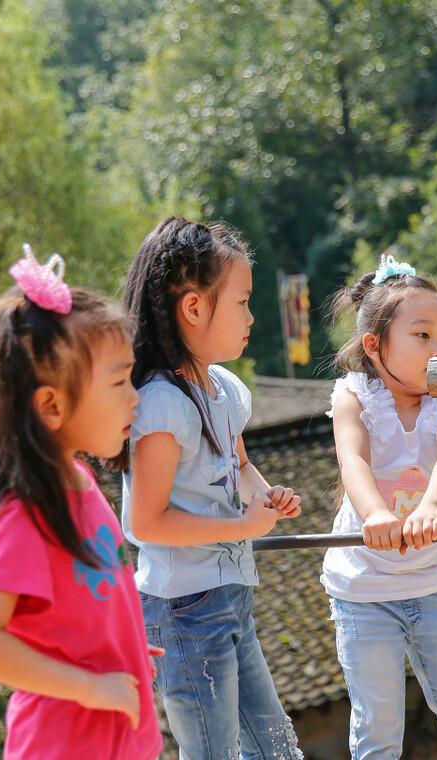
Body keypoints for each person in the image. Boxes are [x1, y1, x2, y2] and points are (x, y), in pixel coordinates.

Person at [0, 246, 161, 759]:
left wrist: (123, 644)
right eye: (117, 382)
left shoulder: (81, 482)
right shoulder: (28, 515)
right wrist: (88, 686)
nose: (134, 398)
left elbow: (80, 604)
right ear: (51, 406)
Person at [114, 216, 303, 759]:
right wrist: (244, 525)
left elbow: (238, 466)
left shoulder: (222, 389)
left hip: (229, 599)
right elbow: (145, 524)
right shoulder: (162, 403)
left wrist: (267, 496)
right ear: (193, 308)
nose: (251, 316)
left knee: (277, 752)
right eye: (242, 302)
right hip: (184, 612)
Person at [323, 254, 437, 759]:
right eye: (422, 336)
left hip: (435, 583)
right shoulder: (354, 396)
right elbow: (352, 458)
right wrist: (375, 514)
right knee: (377, 730)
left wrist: (433, 507)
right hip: (364, 588)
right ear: (375, 346)